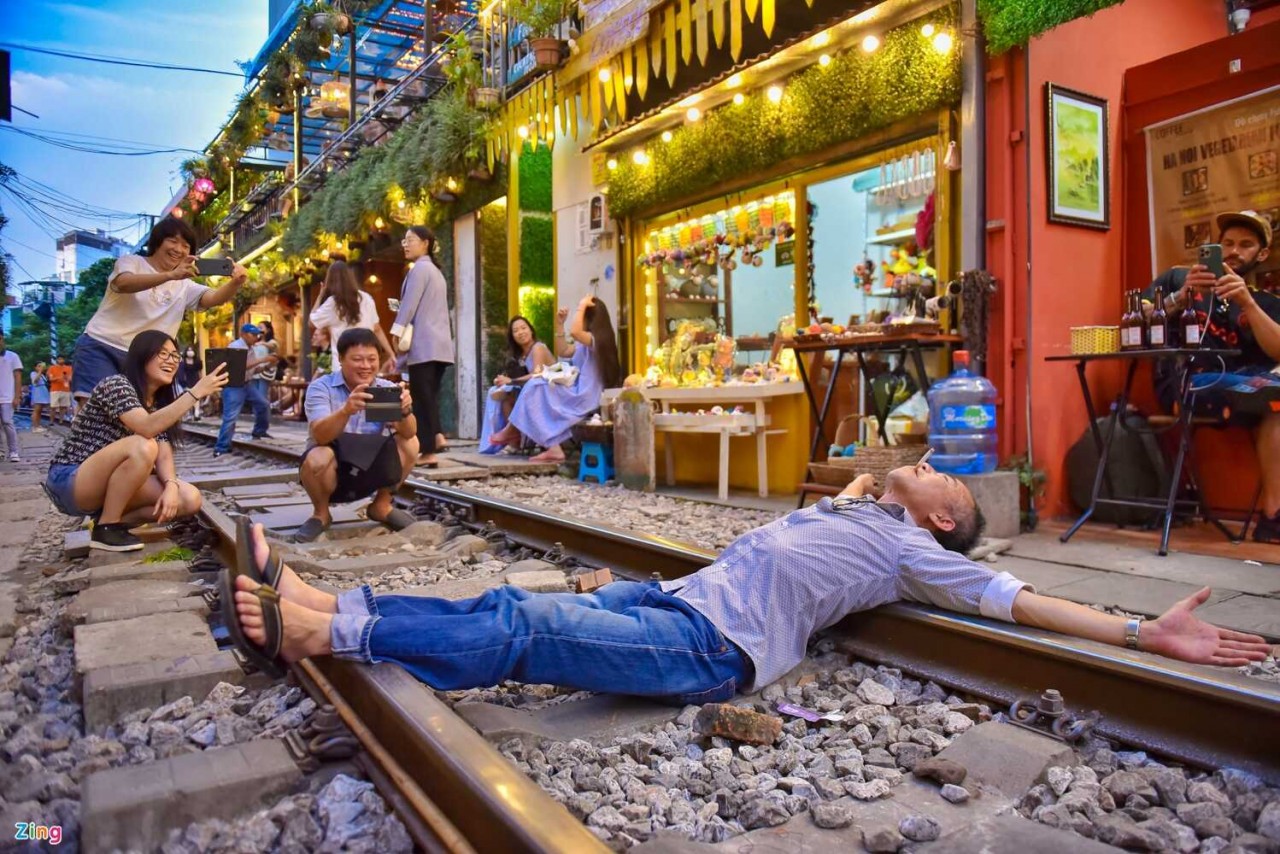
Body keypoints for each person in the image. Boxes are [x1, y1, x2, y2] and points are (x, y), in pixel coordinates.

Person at [226, 461, 1273, 699]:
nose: (922, 460)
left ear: (940, 517)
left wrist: (1139, 634)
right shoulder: (859, 507)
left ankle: (324, 634)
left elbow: (1017, 598)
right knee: (509, 603)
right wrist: (851, 494)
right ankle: (336, 601)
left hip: (707, 650)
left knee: (526, 631)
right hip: (672, 602)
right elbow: (818, 515)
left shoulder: (917, 550)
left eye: (935, 475)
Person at [1141, 210, 1280, 542]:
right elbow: (1137, 319)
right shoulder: (1178, 277)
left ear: (1261, 255)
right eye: (1227, 243)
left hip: (1245, 387)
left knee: (1274, 403)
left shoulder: (1265, 301)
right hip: (1189, 382)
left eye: (1245, 245)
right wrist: (1180, 297)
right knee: (1269, 390)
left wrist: (1247, 303)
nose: (1234, 250)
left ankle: (1273, 519)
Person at [44, 330, 228, 551]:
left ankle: (105, 520)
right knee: (142, 445)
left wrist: (170, 485)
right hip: (70, 480)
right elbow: (147, 427)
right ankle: (107, 529)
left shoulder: (156, 402)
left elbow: (164, 452)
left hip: (104, 484)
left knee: (189, 498)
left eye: (174, 356)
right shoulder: (116, 385)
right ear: (142, 356)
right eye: (163, 354)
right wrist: (196, 392)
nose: (171, 361)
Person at [72, 217, 246, 402]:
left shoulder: (184, 284)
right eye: (172, 241)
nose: (178, 249)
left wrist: (236, 283)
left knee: (137, 418)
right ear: (157, 242)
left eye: (186, 246)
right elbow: (123, 283)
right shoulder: (132, 262)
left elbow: (212, 298)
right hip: (102, 346)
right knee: (94, 415)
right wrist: (170, 275)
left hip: (145, 359)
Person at [292, 328, 420, 543]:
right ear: (340, 359)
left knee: (411, 443)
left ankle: (381, 505)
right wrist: (346, 411)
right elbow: (320, 436)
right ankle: (321, 514)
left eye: (372, 359)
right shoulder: (321, 388)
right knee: (317, 457)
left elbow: (409, 432)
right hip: (335, 468)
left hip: (371, 466)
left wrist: (404, 410)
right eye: (357, 359)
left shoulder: (385, 389)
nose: (366, 366)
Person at [488, 294, 622, 463]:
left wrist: (582, 304)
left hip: (585, 396)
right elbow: (563, 351)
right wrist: (560, 324)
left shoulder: (597, 340)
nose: (578, 317)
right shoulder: (585, 342)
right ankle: (551, 447)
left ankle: (515, 430)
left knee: (536, 385)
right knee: (536, 384)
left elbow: (575, 332)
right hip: (576, 391)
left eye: (581, 315)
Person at [390, 226, 454, 468]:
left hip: (423, 346)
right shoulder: (436, 272)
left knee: (422, 398)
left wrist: (396, 331)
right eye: (404, 240)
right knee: (430, 397)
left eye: (410, 240)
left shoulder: (419, 271)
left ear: (425, 242)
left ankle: (427, 451)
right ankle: (437, 436)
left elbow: (409, 306)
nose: (405, 245)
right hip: (441, 347)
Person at [479, 316, 556, 454]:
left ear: (531, 330)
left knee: (513, 398)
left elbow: (536, 374)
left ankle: (511, 436)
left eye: (523, 328)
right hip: (536, 392)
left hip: (551, 394)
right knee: (507, 400)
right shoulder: (521, 355)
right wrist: (504, 380)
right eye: (516, 330)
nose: (520, 332)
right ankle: (514, 441)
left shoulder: (538, 348)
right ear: (512, 336)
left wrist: (511, 381)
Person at [309, 261, 396, 373]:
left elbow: (312, 322)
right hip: (367, 363)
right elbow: (377, 329)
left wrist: (320, 295)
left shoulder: (333, 303)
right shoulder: (366, 298)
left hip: (343, 366)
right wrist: (391, 354)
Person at [214, 324, 273, 456]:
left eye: (257, 335)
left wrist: (267, 366)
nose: (256, 338)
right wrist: (262, 359)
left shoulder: (251, 348)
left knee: (263, 404)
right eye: (253, 335)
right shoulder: (236, 346)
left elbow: (252, 369)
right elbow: (239, 366)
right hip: (234, 385)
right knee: (230, 417)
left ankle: (259, 431)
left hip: (247, 383)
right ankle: (221, 447)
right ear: (244, 334)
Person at [0, 332, 22, 463]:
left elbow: (18, 376)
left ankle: (14, 451)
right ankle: (1, 451)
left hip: (8, 397)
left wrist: (17, 396)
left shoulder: (13, 356)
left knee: (8, 422)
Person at [176, 346, 204, 421]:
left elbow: (200, 372)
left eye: (192, 350)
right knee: (188, 397)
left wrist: (202, 380)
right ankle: (188, 414)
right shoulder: (183, 362)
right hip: (187, 381)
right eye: (188, 350)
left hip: (196, 380)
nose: (190, 352)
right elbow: (181, 373)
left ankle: (196, 413)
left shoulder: (197, 361)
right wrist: (183, 383)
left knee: (196, 397)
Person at [48, 355, 73, 426]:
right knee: (53, 407)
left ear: (64, 360)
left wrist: (66, 378)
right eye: (59, 359)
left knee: (63, 406)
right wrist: (59, 377)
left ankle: (61, 421)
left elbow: (70, 379)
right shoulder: (52, 368)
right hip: (54, 390)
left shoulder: (69, 368)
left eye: (62, 359)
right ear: (57, 360)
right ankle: (51, 421)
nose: (61, 360)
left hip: (65, 389)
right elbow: (50, 379)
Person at [28, 362, 49, 433]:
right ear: (35, 367)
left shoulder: (43, 375)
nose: (41, 367)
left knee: (40, 410)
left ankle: (38, 425)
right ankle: (34, 427)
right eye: (38, 366)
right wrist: (40, 371)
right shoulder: (33, 373)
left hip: (43, 392)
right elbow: (35, 381)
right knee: (36, 410)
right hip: (38, 392)